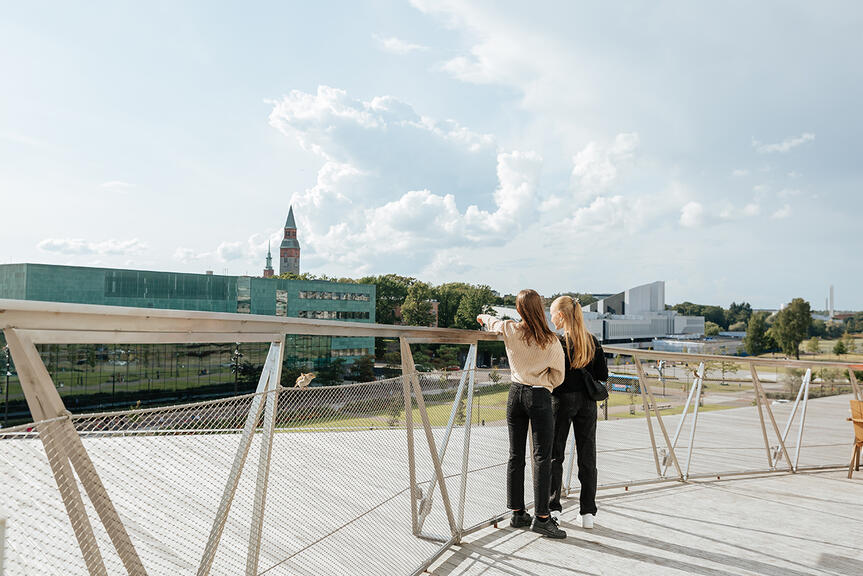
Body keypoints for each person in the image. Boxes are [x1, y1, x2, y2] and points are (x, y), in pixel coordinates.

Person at [477, 289, 566, 539]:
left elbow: (490, 321)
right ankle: (542, 518)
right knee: (541, 457)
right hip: (539, 395)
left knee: (515, 455)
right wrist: (543, 381)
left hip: (514, 394)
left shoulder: (509, 329)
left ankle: (518, 513)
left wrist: (482, 317)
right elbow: (558, 376)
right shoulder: (550, 340)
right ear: (541, 309)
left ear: (518, 310)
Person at [547, 295, 608, 529]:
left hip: (561, 401)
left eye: (552, 313)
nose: (551, 318)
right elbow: (602, 375)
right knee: (587, 457)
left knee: (555, 455)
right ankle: (588, 514)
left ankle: (554, 509)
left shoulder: (558, 342)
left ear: (561, 315)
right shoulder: (592, 341)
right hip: (587, 404)